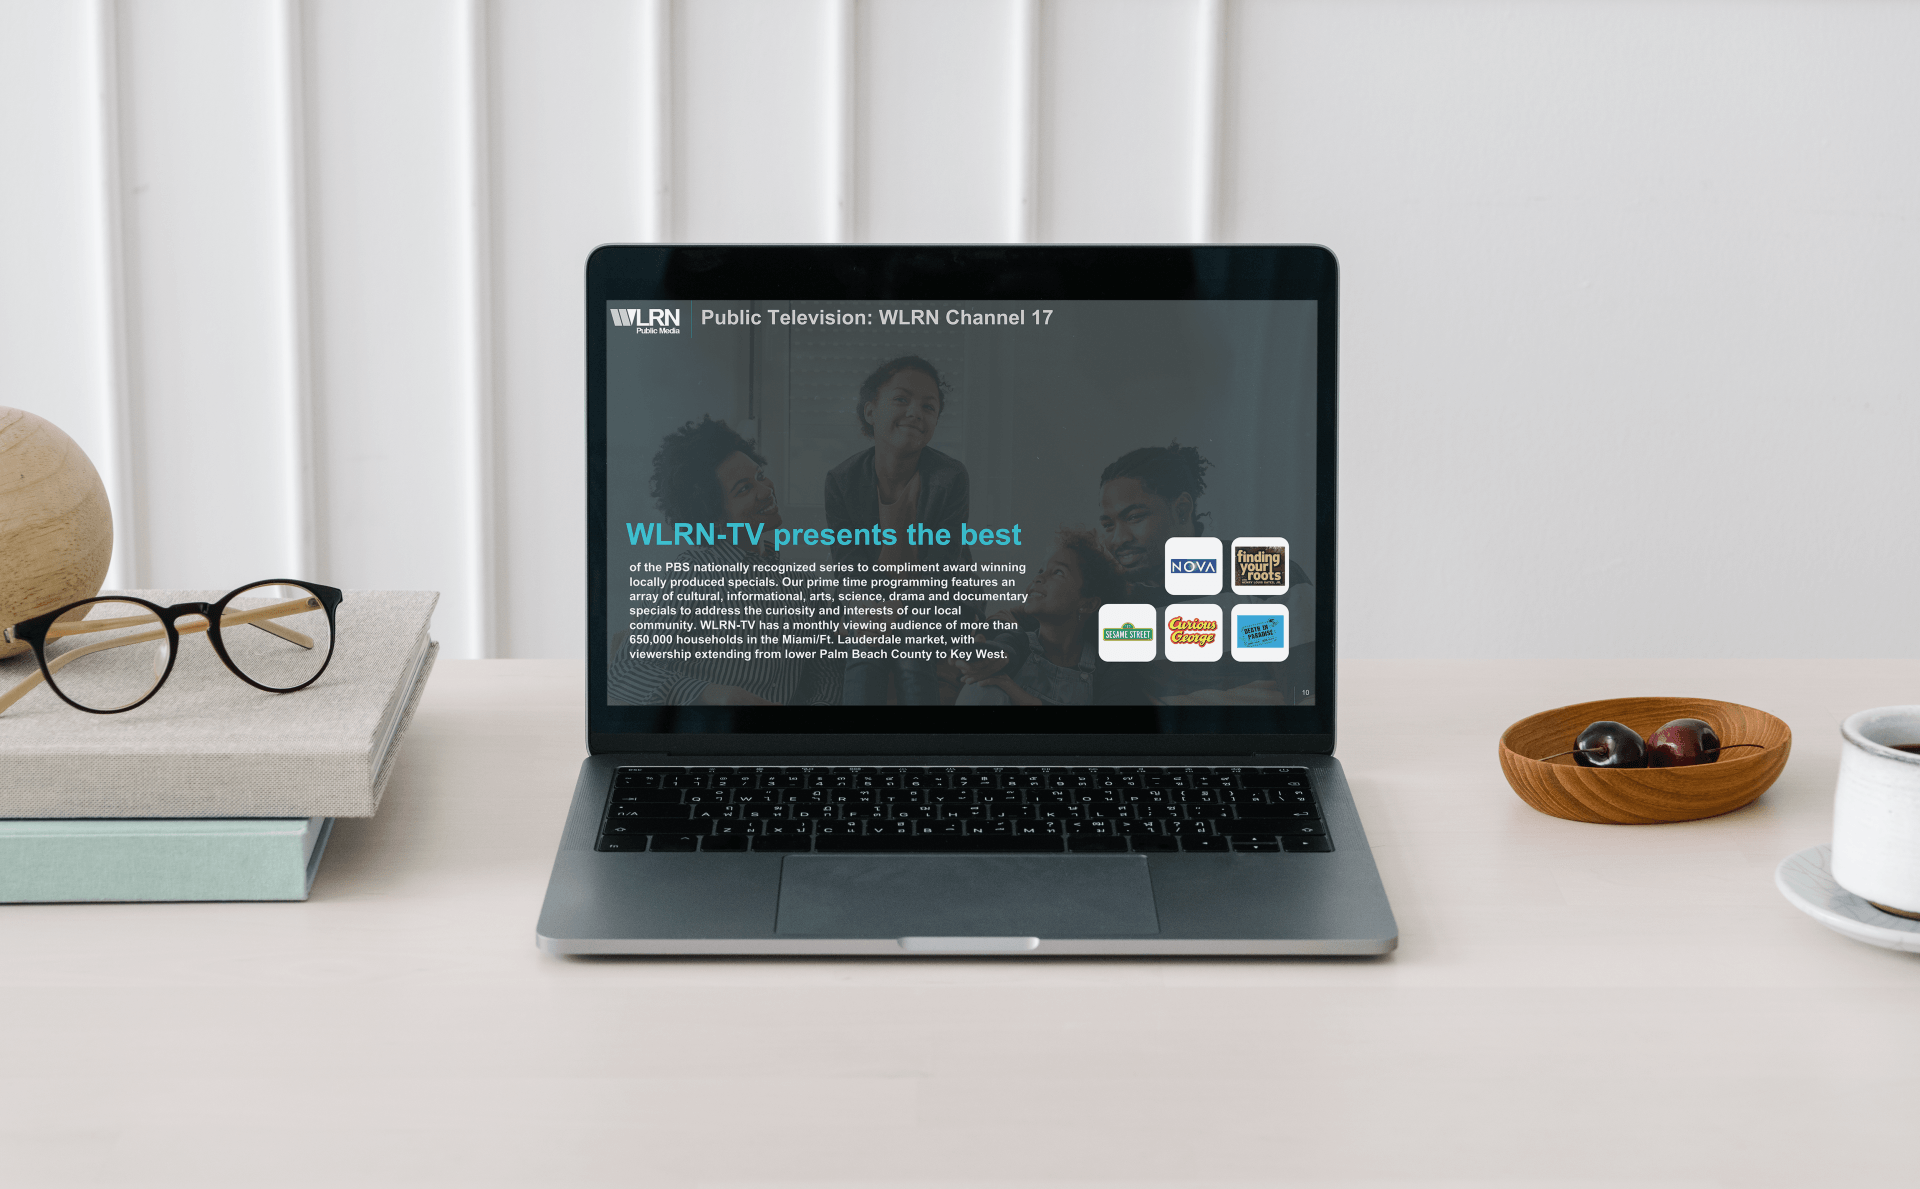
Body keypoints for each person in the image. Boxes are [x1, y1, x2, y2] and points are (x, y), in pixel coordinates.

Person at [608, 417, 841, 706]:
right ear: (713, 516)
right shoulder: (693, 573)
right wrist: (715, 695)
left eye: (759, 476)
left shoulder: (802, 587)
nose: (766, 490)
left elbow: (827, 677)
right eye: (743, 489)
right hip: (707, 741)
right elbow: (625, 672)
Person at [1094, 441, 1301, 706]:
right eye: (1108, 525)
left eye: (1134, 517)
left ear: (1182, 509)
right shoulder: (1113, 601)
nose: (1117, 539)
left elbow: (1306, 696)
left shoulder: (1262, 567)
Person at [823, 355, 972, 704]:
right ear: (870, 412)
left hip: (935, 601)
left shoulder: (951, 478)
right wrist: (869, 615)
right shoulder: (840, 481)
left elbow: (941, 566)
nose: (915, 412)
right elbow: (849, 564)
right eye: (901, 399)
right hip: (869, 603)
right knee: (864, 651)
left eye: (928, 406)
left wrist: (891, 615)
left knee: (912, 643)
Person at [955, 530, 1122, 706]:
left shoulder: (1103, 665)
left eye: (1058, 572)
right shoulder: (1019, 641)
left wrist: (1030, 701)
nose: (1038, 578)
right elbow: (1005, 650)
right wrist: (983, 655)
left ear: (1088, 604)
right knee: (982, 685)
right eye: (1041, 570)